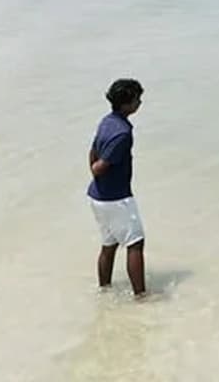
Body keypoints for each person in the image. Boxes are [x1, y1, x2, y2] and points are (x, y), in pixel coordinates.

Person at [87, 78, 146, 296]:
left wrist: (94, 172)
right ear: (126, 104)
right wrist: (97, 170)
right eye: (137, 99)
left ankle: (104, 289)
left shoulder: (106, 121)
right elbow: (100, 166)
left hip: (98, 197)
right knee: (136, 243)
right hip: (116, 199)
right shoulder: (123, 133)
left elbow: (92, 152)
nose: (139, 103)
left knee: (109, 244)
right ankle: (141, 296)